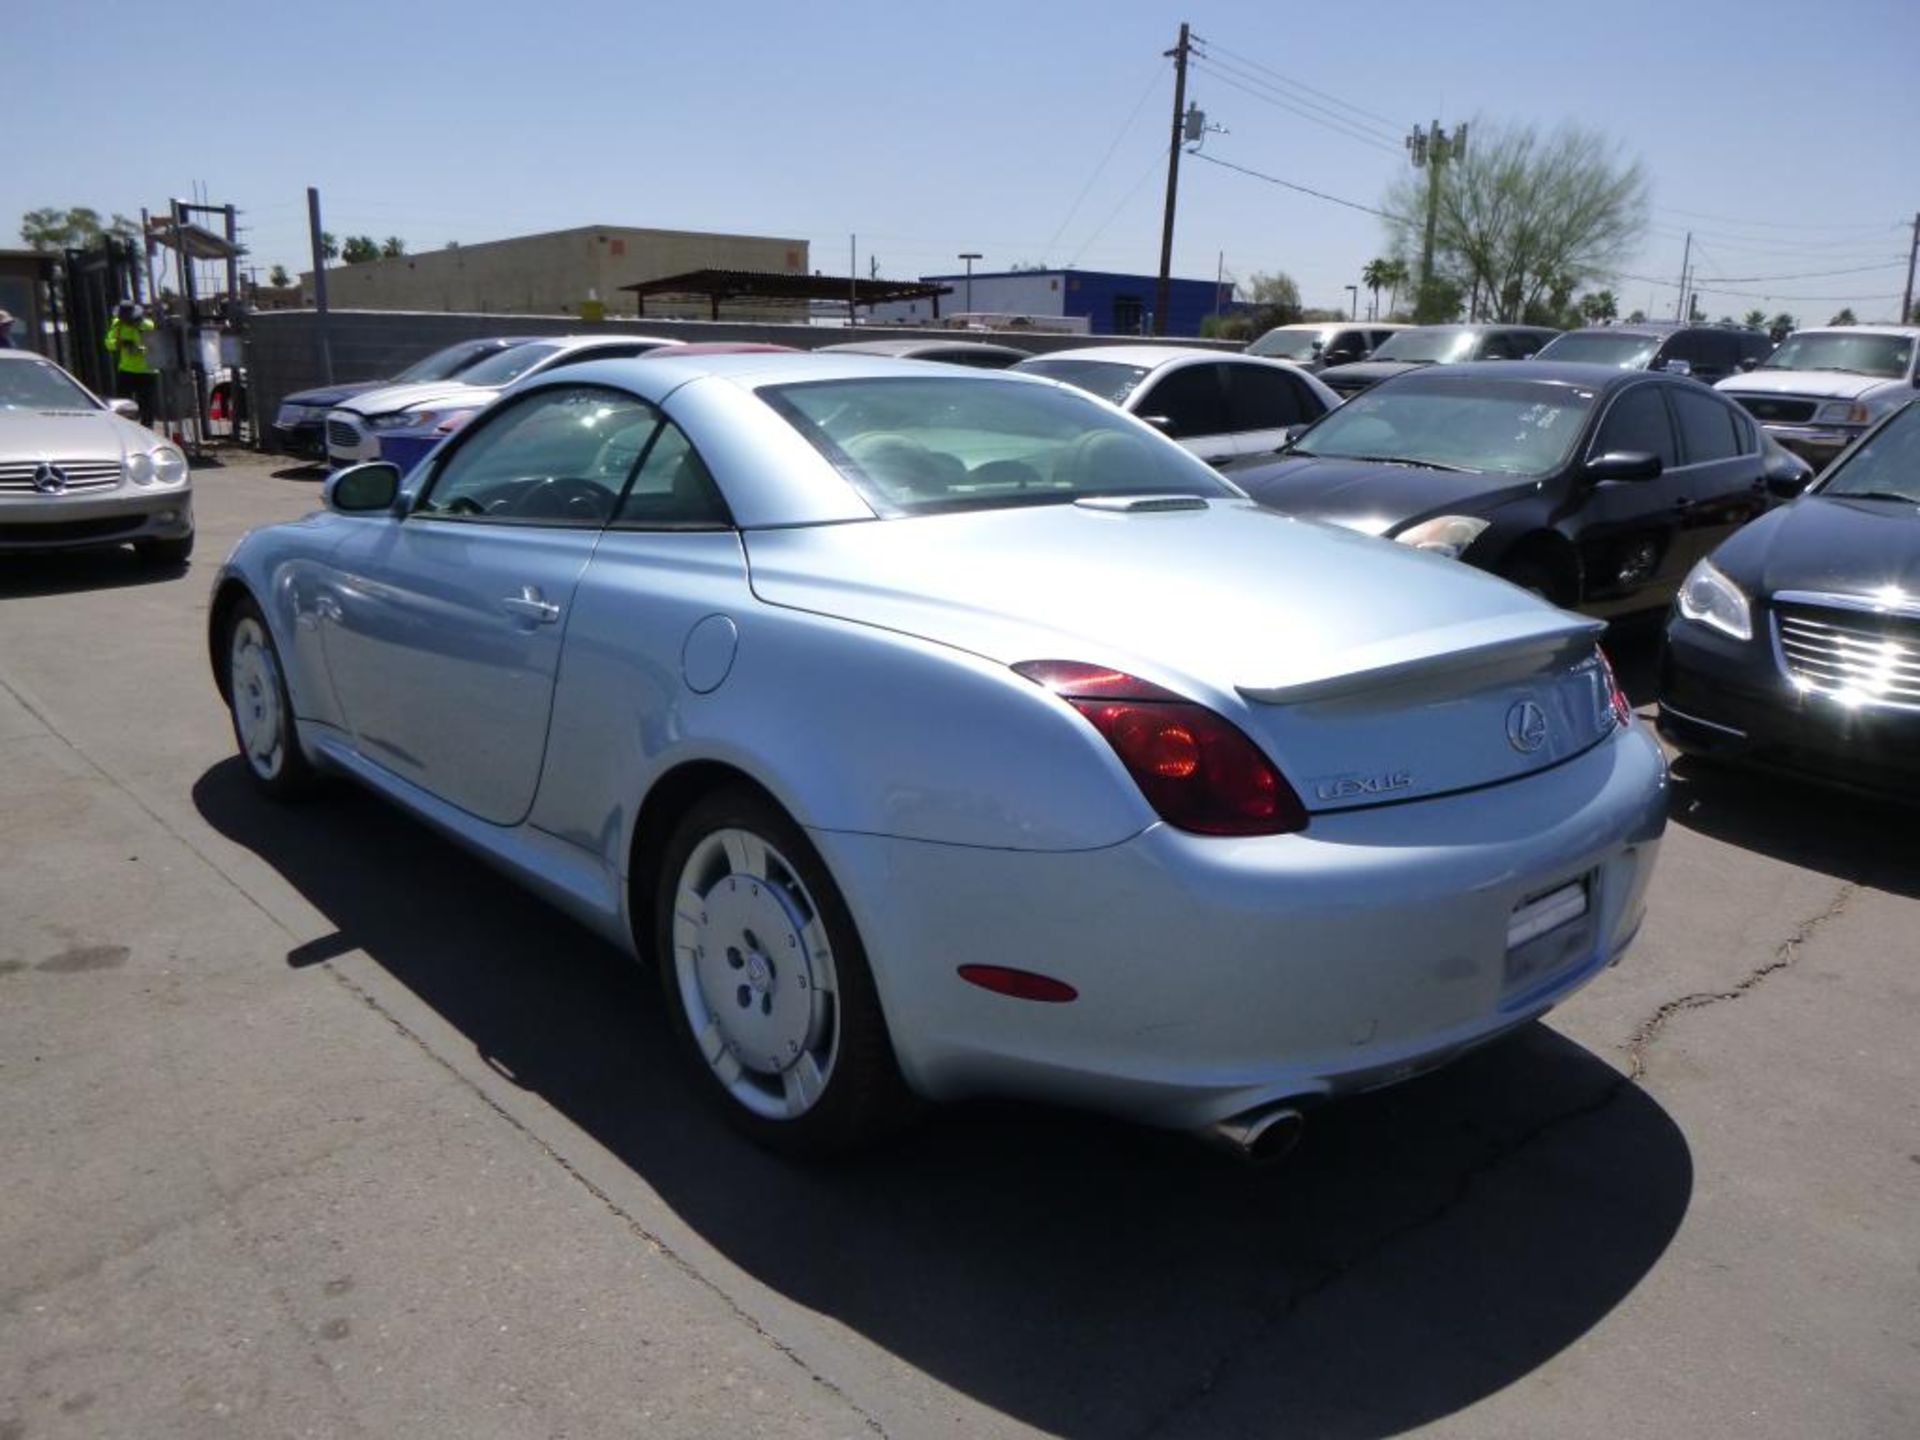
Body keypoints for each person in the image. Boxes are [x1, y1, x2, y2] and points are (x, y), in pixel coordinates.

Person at [104, 301, 157, 426]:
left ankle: (147, 429)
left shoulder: (147, 325)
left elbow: (155, 346)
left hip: (147, 371)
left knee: (146, 405)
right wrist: (118, 344)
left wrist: (139, 349)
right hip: (126, 370)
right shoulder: (117, 325)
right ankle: (126, 428)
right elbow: (108, 342)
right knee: (123, 404)